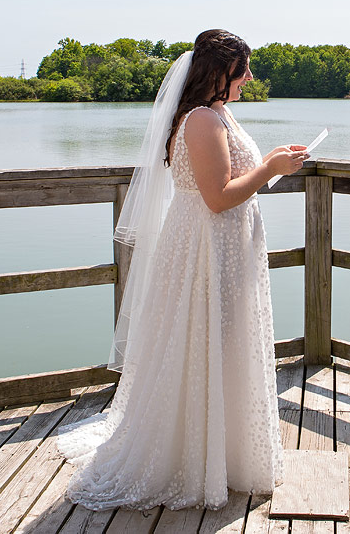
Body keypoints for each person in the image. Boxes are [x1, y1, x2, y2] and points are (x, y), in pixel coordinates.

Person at [56, 29, 309, 510]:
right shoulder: (199, 120)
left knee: (226, 341)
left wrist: (277, 161)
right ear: (219, 71)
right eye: (244, 69)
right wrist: (273, 166)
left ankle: (228, 453)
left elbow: (232, 179)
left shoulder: (219, 113)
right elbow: (218, 198)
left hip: (227, 248)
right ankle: (190, 457)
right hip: (204, 249)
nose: (250, 77)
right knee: (201, 341)